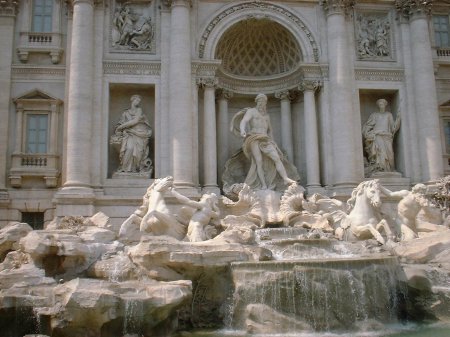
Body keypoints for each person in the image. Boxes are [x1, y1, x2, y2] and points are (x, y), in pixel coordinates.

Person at [230, 93, 296, 190]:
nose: (262, 103)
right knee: (258, 161)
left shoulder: (267, 116)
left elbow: (270, 131)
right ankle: (263, 185)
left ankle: (285, 178)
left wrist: (273, 142)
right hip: (254, 137)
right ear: (257, 102)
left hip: (266, 139)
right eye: (260, 101)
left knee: (276, 157)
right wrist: (243, 130)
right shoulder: (251, 111)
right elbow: (244, 121)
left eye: (264, 102)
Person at [111, 95, 152, 173]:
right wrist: (120, 128)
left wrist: (121, 127)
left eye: (139, 101)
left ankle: (135, 168)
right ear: (132, 100)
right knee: (129, 148)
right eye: (136, 100)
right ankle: (125, 169)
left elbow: (135, 121)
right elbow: (120, 123)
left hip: (139, 134)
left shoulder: (139, 110)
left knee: (138, 154)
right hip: (129, 135)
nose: (137, 102)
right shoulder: (125, 112)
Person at [362, 98, 400, 173]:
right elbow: (368, 125)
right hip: (377, 135)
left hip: (387, 136)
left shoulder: (389, 115)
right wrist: (367, 132)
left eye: (382, 104)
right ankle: (380, 168)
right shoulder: (374, 115)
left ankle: (389, 169)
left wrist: (398, 118)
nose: (381, 106)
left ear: (385, 105)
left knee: (390, 153)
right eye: (380, 104)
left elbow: (393, 127)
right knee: (379, 152)